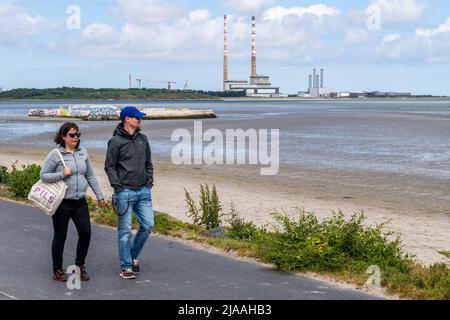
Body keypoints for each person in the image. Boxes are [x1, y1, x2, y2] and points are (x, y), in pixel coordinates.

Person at [40, 123, 105, 282]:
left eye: (78, 134)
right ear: (63, 137)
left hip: (80, 201)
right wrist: (62, 174)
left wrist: (99, 195)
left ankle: (79, 266)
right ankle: (57, 270)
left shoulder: (83, 152)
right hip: (62, 203)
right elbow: (43, 175)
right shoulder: (55, 155)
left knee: (86, 233)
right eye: (72, 135)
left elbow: (90, 175)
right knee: (60, 236)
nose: (76, 137)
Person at [105, 106, 154, 280]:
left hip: (143, 191)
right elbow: (109, 167)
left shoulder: (143, 139)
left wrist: (149, 181)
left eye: (140, 118)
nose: (140, 120)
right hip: (124, 192)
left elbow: (149, 163)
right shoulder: (116, 142)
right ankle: (126, 266)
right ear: (127, 119)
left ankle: (132, 255)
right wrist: (118, 187)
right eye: (137, 118)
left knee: (148, 225)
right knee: (125, 231)